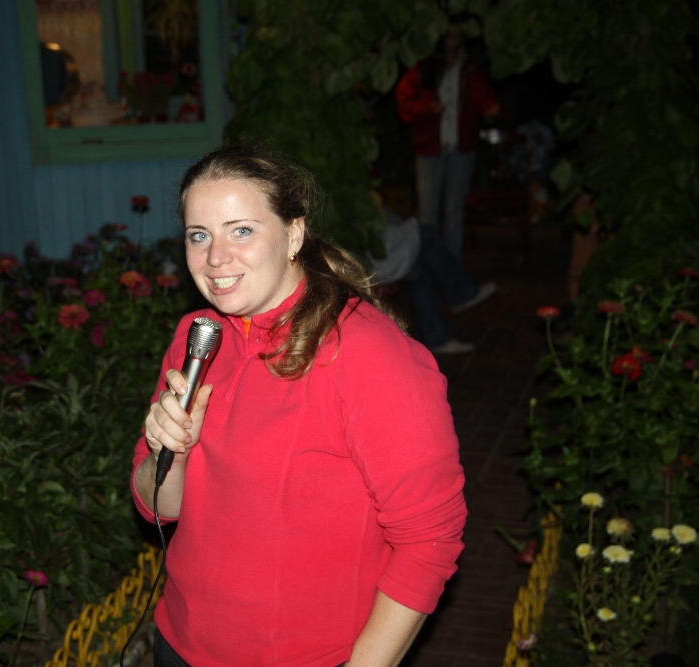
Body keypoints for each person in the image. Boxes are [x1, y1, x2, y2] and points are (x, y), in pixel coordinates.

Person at [131, 143, 467, 667]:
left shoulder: (368, 356)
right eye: (200, 235)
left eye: (241, 230)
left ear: (294, 234)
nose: (216, 258)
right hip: (178, 643)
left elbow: (431, 540)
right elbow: (157, 507)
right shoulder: (198, 336)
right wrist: (167, 452)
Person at [396, 22, 500, 258]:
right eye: (447, 36)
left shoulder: (470, 69)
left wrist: (490, 109)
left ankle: (452, 267)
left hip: (461, 149)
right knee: (427, 213)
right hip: (429, 148)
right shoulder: (425, 68)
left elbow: (483, 99)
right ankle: (429, 264)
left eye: (454, 36)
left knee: (454, 212)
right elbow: (405, 102)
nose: (450, 42)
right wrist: (428, 108)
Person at [371, 210, 497, 355]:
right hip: (368, 259)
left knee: (417, 264)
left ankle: (437, 335)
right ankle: (459, 296)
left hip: (375, 251)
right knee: (422, 236)